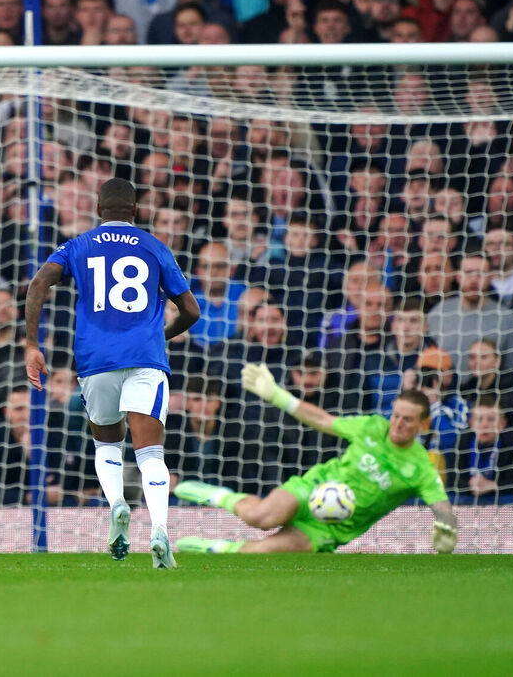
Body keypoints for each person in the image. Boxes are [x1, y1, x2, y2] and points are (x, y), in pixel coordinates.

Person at [25, 178, 201, 568]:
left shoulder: (78, 245)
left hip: (96, 361)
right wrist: (161, 336)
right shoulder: (155, 247)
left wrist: (32, 345)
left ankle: (117, 504)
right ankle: (159, 530)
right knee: (150, 451)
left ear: (98, 209)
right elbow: (191, 310)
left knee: (107, 443)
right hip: (145, 359)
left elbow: (38, 283)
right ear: (136, 210)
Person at [174, 366, 458, 555]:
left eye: (407, 420)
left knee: (262, 553)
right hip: (315, 488)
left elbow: (441, 504)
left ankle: (214, 548)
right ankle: (219, 495)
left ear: (423, 423)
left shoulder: (420, 467)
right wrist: (277, 396)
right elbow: (323, 419)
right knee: (260, 517)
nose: (396, 424)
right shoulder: (374, 426)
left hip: (332, 528)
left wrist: (447, 529)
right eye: (395, 415)